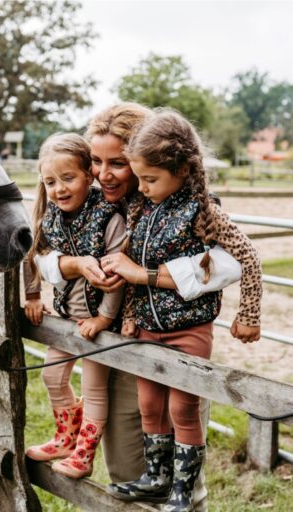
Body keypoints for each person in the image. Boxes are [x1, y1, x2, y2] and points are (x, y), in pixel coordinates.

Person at [28, 103, 242, 512]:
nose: (104, 174)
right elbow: (41, 255)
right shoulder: (86, 203)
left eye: (118, 163)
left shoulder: (187, 206)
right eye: (96, 161)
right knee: (126, 472)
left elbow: (225, 266)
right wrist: (72, 265)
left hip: (164, 345)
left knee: (178, 480)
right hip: (107, 349)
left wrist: (143, 274)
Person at [100, 109, 262, 511]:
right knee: (150, 405)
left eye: (149, 179)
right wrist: (133, 314)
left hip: (187, 330)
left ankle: (183, 489)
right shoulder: (146, 207)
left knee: (182, 408)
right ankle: (156, 477)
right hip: (148, 329)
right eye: (140, 179)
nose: (143, 187)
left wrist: (249, 314)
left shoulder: (201, 209)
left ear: (184, 169)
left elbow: (248, 255)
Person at [24, 132, 126, 479]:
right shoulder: (51, 215)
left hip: (99, 322)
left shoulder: (109, 217)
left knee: (94, 388)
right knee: (52, 376)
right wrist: (34, 295)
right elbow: (33, 253)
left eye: (68, 178)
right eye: (50, 181)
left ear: (88, 174)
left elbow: (115, 273)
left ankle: (84, 454)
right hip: (67, 317)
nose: (59, 189)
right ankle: (66, 437)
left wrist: (103, 317)